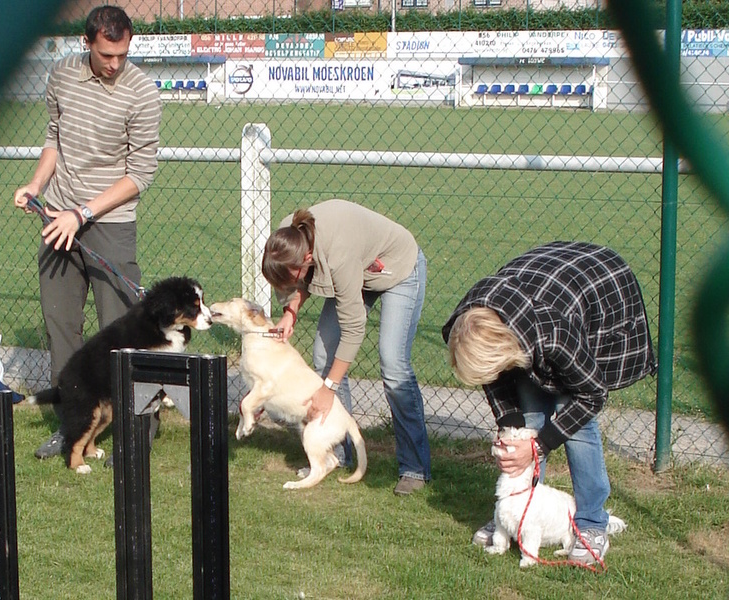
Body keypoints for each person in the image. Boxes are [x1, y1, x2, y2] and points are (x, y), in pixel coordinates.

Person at [442, 241, 656, 565]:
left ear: (507, 352)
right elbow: (493, 376)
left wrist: (539, 446)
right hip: (540, 294)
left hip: (599, 289)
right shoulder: (465, 325)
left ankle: (591, 523)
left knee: (574, 417)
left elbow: (592, 395)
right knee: (529, 413)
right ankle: (519, 512)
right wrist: (512, 424)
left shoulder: (553, 333)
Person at [13, 5, 162, 459]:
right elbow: (54, 139)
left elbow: (140, 174)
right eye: (106, 55)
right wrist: (36, 185)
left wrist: (82, 213)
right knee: (61, 328)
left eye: (122, 54)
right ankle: (73, 427)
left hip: (109, 222)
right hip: (57, 219)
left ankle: (140, 425)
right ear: (87, 44)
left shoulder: (142, 92)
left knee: (124, 332)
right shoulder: (62, 74)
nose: (115, 64)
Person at [262, 199, 431, 495]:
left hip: (397, 269)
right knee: (323, 354)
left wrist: (328, 388)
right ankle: (337, 455)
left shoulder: (338, 254)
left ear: (307, 258)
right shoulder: (285, 239)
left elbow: (353, 329)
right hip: (359, 271)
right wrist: (290, 312)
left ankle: (414, 468)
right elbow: (299, 283)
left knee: (393, 365)